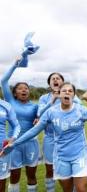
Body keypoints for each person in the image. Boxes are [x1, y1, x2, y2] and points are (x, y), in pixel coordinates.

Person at [1, 82, 87, 192]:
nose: (67, 93)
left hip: (80, 155)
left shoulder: (82, 110)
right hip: (61, 156)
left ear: (73, 95)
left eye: (70, 91)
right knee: (67, 189)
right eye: (64, 91)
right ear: (59, 94)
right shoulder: (51, 112)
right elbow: (34, 131)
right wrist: (15, 143)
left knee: (81, 189)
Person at [37, 72, 81, 192]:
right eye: (53, 79)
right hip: (50, 138)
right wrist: (52, 100)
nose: (55, 80)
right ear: (50, 83)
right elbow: (39, 114)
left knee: (70, 167)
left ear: (62, 82)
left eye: (58, 78)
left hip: (69, 139)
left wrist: (64, 96)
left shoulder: (69, 94)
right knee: (50, 168)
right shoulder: (44, 98)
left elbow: (80, 107)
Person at [1, 58, 39, 192]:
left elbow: (41, 118)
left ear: (29, 91)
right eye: (20, 88)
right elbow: (3, 81)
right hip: (13, 144)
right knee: (14, 176)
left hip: (31, 143)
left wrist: (39, 118)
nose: (24, 90)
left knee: (31, 175)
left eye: (26, 88)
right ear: (15, 92)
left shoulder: (35, 107)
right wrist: (14, 65)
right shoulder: (9, 101)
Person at [0, 99, 20, 191]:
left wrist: (13, 138)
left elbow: (16, 125)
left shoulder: (5, 105)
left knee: (1, 181)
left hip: (2, 150)